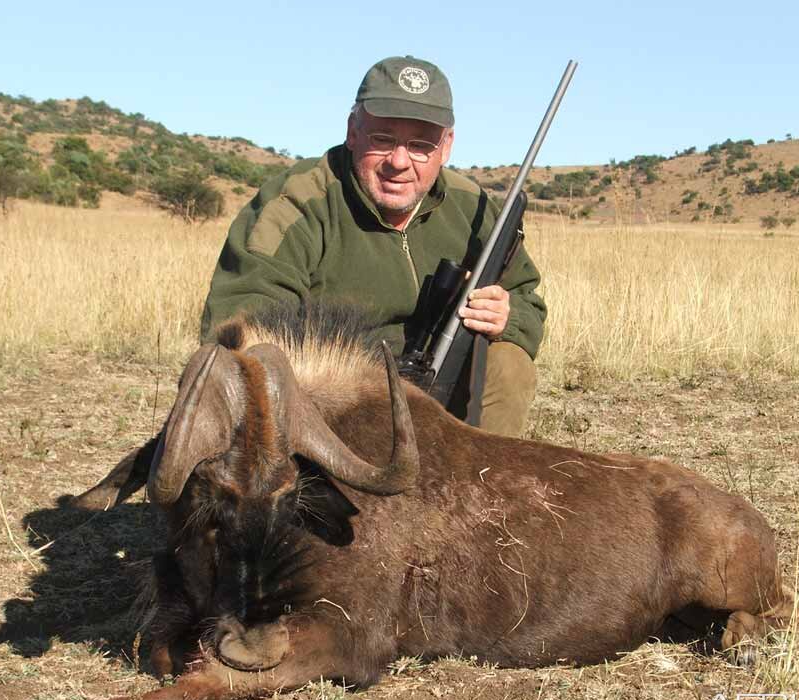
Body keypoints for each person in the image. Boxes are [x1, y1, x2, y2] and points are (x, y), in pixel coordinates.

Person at [200, 55, 546, 437]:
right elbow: (242, 325)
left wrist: (506, 318)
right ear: (352, 131)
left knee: (508, 358)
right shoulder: (294, 203)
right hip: (331, 405)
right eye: (382, 139)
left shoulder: (476, 209)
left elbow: (527, 301)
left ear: (445, 147)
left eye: (420, 146)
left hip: (441, 400)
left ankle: (485, 483)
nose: (399, 161)